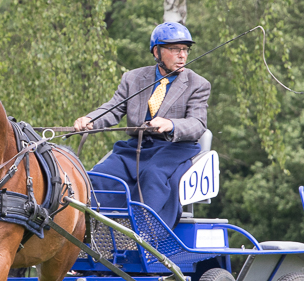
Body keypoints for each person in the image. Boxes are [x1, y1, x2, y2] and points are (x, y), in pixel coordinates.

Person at [73, 22, 210, 226]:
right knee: (98, 176)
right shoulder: (133, 78)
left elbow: (197, 124)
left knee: (153, 176)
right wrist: (91, 120)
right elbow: (113, 108)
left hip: (174, 149)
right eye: (175, 49)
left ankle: (145, 234)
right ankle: (95, 230)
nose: (182, 55)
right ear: (157, 51)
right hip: (136, 148)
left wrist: (170, 124)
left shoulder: (198, 84)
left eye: (185, 49)